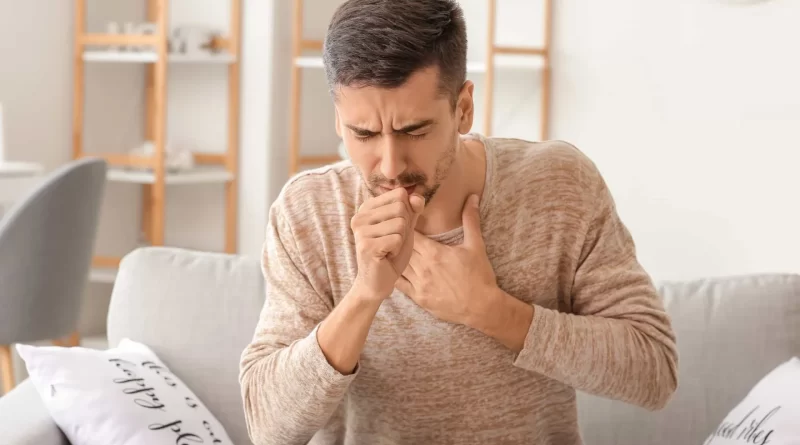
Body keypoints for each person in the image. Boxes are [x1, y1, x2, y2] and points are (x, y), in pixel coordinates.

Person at [239, 0, 678, 443]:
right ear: (338, 118)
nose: (390, 165)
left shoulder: (558, 184)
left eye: (414, 130)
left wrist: (488, 309)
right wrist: (365, 295)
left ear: (463, 108)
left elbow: (654, 372)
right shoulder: (309, 211)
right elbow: (268, 428)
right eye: (364, 134)